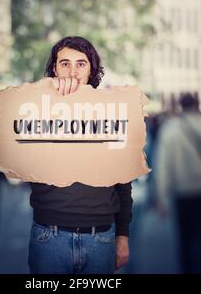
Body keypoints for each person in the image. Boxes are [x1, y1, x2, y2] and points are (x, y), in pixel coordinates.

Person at [28, 36, 133, 274]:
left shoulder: (111, 113)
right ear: (54, 69)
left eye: (81, 64)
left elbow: (123, 181)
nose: (72, 72)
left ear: (91, 69)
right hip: (49, 235)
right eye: (65, 64)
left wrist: (123, 235)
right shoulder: (36, 108)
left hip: (101, 238)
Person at [155, 93, 201, 274]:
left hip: (183, 192)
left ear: (180, 106)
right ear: (197, 105)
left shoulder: (170, 131)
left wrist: (161, 197)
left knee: (185, 236)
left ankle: (187, 268)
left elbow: (163, 166)